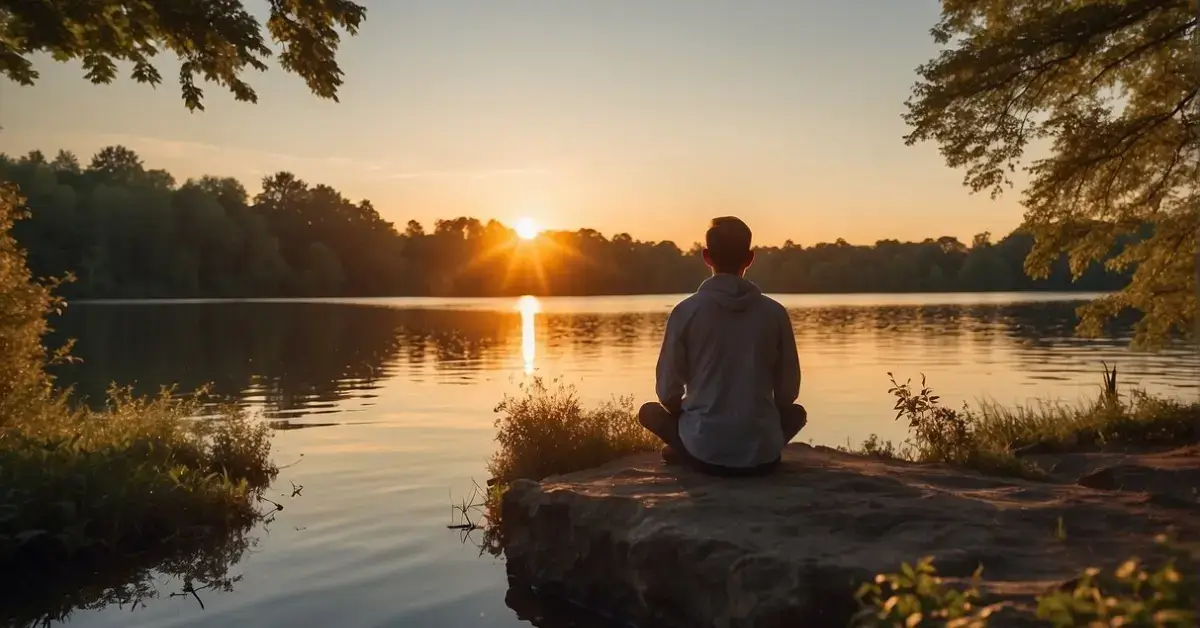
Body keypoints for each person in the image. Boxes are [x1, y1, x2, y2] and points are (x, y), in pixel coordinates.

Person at [638, 216, 806, 476]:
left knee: (649, 412)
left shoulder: (686, 312)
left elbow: (667, 392)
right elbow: (787, 394)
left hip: (705, 451)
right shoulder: (775, 313)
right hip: (763, 456)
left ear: (707, 256)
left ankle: (686, 448)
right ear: (750, 258)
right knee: (796, 414)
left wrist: (692, 416)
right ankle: (710, 446)